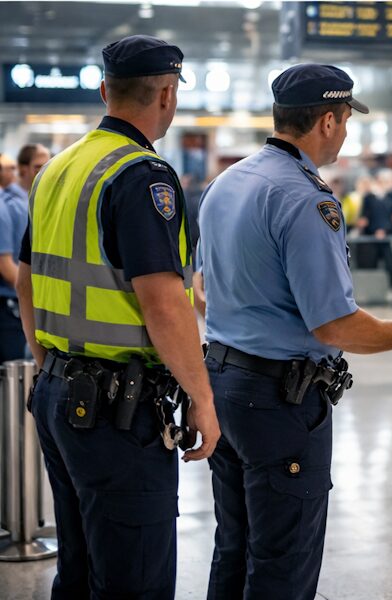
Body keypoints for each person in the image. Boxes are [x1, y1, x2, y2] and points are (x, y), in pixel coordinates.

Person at [198, 63, 392, 600]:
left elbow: (200, 287)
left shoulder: (227, 183)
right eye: (346, 121)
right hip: (277, 401)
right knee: (282, 559)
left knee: (236, 545)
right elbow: (336, 325)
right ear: (329, 121)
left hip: (222, 383)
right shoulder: (305, 200)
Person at [15, 35, 220, 598]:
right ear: (166, 95)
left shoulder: (57, 170)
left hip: (61, 394)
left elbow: (28, 279)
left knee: (78, 570)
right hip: (114, 415)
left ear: (106, 91)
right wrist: (201, 397)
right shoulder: (141, 176)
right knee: (134, 578)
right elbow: (164, 302)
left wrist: (49, 362)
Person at [0, 145, 50, 362]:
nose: (44, 172)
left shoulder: (37, 202)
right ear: (23, 169)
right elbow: (8, 267)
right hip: (13, 308)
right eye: (38, 166)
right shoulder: (10, 207)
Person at [359, 168, 392, 295]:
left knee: (390, 264)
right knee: (371, 264)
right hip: (371, 237)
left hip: (387, 237)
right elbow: (364, 218)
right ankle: (370, 292)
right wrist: (373, 230)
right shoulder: (369, 198)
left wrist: (385, 230)